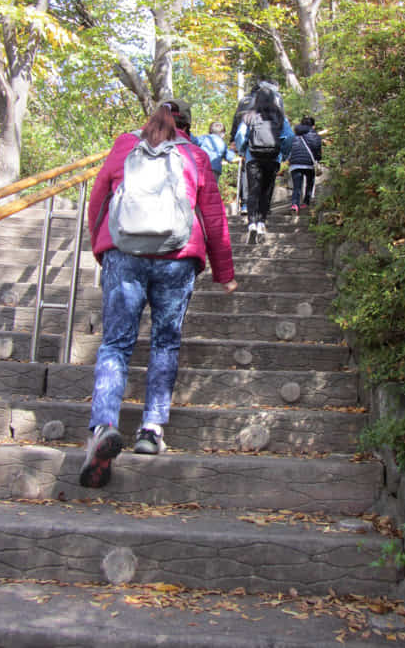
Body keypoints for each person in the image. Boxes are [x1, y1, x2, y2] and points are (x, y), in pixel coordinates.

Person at [81, 99, 237, 488]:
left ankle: (103, 426)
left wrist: (101, 246)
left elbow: (99, 198)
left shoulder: (124, 145)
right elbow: (213, 216)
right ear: (188, 124)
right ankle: (151, 430)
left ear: (151, 119)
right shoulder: (195, 155)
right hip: (177, 257)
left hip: (124, 254)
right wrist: (225, 273)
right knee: (165, 343)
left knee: (115, 344)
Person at [234, 85, 293, 244]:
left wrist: (243, 150)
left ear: (256, 100)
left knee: (253, 191)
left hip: (253, 157)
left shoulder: (250, 116)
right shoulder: (280, 117)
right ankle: (261, 223)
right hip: (273, 158)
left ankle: (252, 224)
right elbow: (289, 137)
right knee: (266, 192)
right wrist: (284, 154)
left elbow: (240, 135)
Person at [288, 116, 322, 212]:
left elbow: (289, 148)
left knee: (297, 186)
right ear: (313, 126)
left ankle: (295, 204)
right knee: (310, 182)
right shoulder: (315, 136)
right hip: (309, 163)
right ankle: (306, 202)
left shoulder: (294, 135)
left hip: (295, 163)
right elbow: (317, 151)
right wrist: (318, 159)